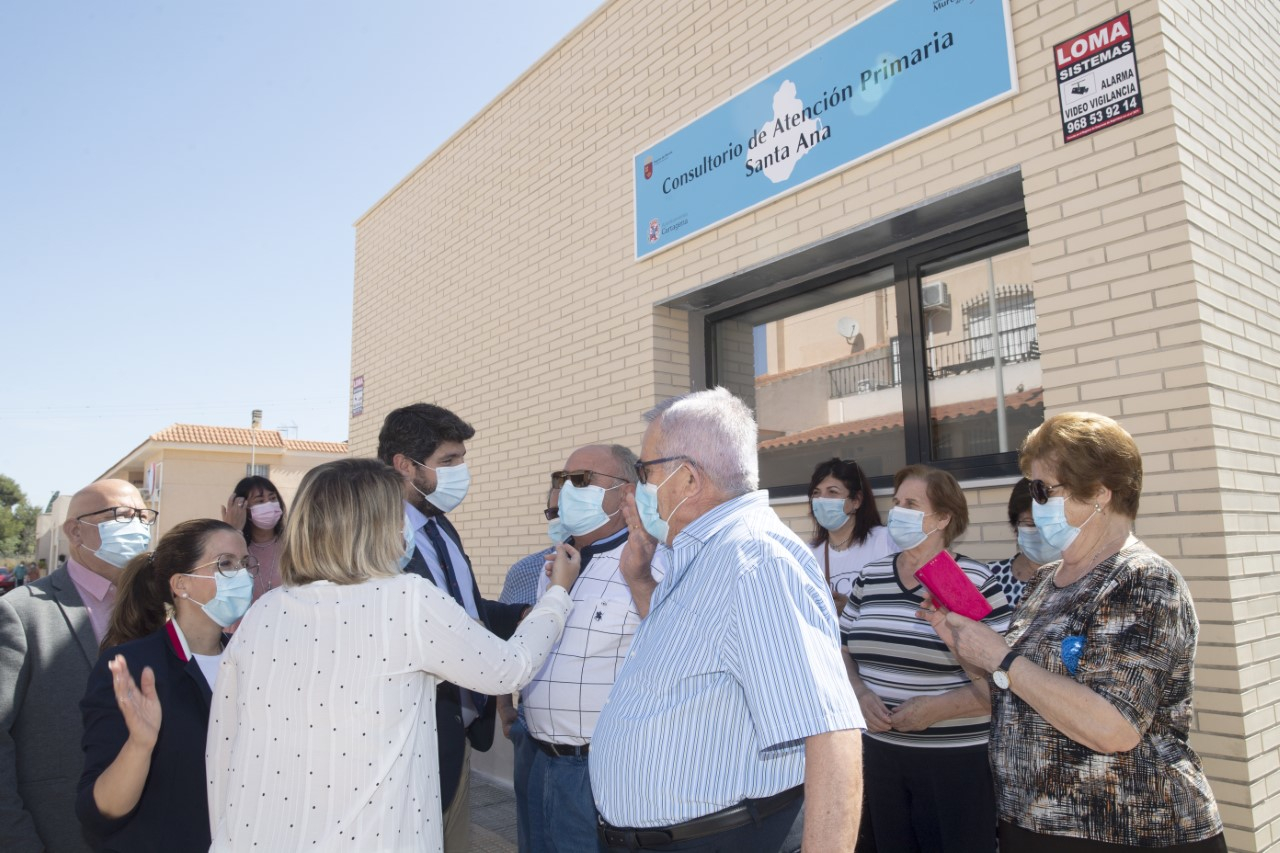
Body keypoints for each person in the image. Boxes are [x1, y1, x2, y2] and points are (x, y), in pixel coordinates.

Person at [205, 457, 579, 852]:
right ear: (375, 525)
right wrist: (556, 595)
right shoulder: (406, 599)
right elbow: (509, 669)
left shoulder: (263, 611)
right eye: (397, 513)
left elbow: (223, 748)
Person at [921, 413, 1226, 852]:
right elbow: (1007, 694)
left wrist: (1001, 658)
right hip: (1031, 825)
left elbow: (1114, 728)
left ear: (1099, 492)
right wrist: (964, 648)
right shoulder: (1046, 581)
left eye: (1044, 489)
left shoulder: (1144, 580)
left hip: (1127, 830)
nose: (1035, 502)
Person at [591, 387, 864, 853]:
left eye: (645, 471)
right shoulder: (704, 553)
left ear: (688, 479)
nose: (639, 488)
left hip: (718, 840)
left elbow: (831, 733)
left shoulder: (755, 561)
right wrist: (640, 581)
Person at [378, 403, 529, 853]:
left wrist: (520, 615)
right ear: (404, 465)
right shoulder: (376, 536)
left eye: (462, 459)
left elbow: (461, 610)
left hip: (456, 737)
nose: (461, 472)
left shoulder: (440, 526)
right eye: (448, 461)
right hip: (408, 742)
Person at [840, 464, 1011, 853]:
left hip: (953, 764)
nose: (897, 511)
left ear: (943, 518)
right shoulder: (871, 576)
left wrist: (938, 709)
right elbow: (842, 647)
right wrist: (859, 693)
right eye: (897, 501)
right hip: (878, 757)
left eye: (911, 504)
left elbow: (1002, 678)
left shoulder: (966, 580)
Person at [77, 519, 253, 852]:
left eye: (245, 563)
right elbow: (100, 812)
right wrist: (140, 745)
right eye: (226, 564)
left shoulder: (253, 662)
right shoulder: (133, 668)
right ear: (181, 584)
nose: (242, 575)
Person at [522, 444, 664, 853]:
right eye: (563, 479)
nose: (568, 490)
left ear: (626, 494)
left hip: (597, 768)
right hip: (539, 759)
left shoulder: (651, 561)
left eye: (582, 480)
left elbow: (670, 648)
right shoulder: (557, 563)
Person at [0, 480, 153, 853]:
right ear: (74, 531)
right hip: (58, 833)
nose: (137, 526)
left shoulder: (160, 610)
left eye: (143, 516)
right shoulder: (20, 613)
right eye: (122, 515)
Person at [497, 489, 559, 853]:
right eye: (552, 512)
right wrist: (505, 708)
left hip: (595, 740)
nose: (560, 518)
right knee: (534, 837)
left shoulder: (627, 564)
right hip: (530, 732)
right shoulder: (525, 571)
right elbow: (502, 641)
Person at [808, 458, 892, 617]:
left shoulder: (886, 541)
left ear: (856, 500)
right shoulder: (808, 554)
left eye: (832, 492)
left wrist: (850, 608)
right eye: (816, 493)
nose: (822, 500)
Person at [987, 478, 1061, 608]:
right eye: (1031, 524)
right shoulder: (989, 576)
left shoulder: (1085, 579)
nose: (1042, 532)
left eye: (1049, 523)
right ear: (1015, 526)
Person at [220, 475, 286, 600]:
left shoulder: (292, 544)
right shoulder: (238, 548)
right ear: (244, 508)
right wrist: (232, 532)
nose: (269, 505)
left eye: (273, 498)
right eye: (260, 501)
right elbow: (224, 583)